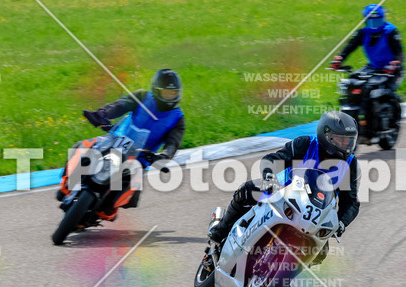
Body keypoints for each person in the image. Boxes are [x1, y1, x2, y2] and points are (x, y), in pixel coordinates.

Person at [207, 111, 361, 246]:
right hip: (281, 193)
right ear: (326, 135)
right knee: (247, 191)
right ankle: (220, 232)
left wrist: (342, 222)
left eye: (349, 141)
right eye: (340, 140)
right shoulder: (306, 144)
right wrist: (269, 178)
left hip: (316, 213)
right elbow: (272, 159)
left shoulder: (351, 164)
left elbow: (351, 202)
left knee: (321, 251)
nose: (345, 145)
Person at [72, 69, 185, 220]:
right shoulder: (142, 96)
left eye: (173, 93)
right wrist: (102, 114)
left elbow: (173, 142)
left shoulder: (178, 119)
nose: (170, 97)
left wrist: (164, 155)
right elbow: (120, 105)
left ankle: (105, 209)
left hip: (140, 157)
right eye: (166, 93)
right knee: (82, 146)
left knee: (131, 198)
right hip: (116, 140)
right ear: (156, 90)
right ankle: (68, 187)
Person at [329, 4, 405, 85]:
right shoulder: (362, 33)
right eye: (370, 22)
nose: (374, 25)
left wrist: (394, 64)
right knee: (351, 83)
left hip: (392, 70)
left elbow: (399, 52)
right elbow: (350, 46)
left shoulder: (390, 32)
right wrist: (340, 59)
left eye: (377, 21)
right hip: (373, 67)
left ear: (383, 19)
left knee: (380, 88)